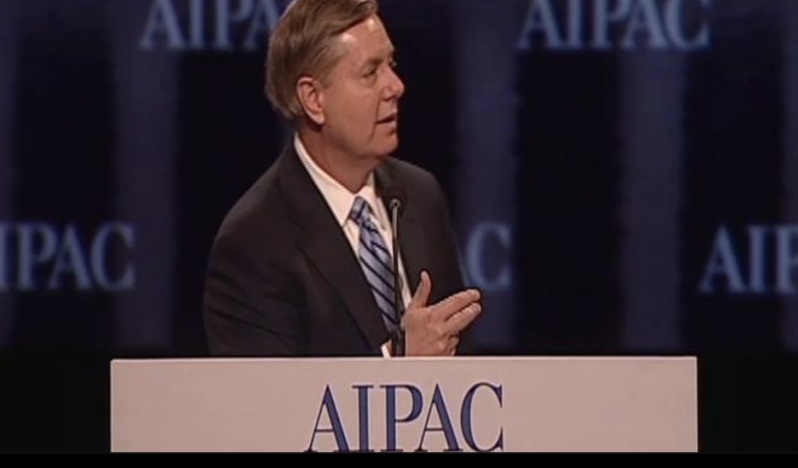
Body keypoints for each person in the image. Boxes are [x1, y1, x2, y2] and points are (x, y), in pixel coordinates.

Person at [203, 0, 482, 357]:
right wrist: (399, 365)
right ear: (314, 99)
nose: (396, 86)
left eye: (391, 65)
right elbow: (267, 392)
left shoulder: (418, 196)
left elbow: (459, 352)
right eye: (370, 72)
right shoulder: (253, 243)